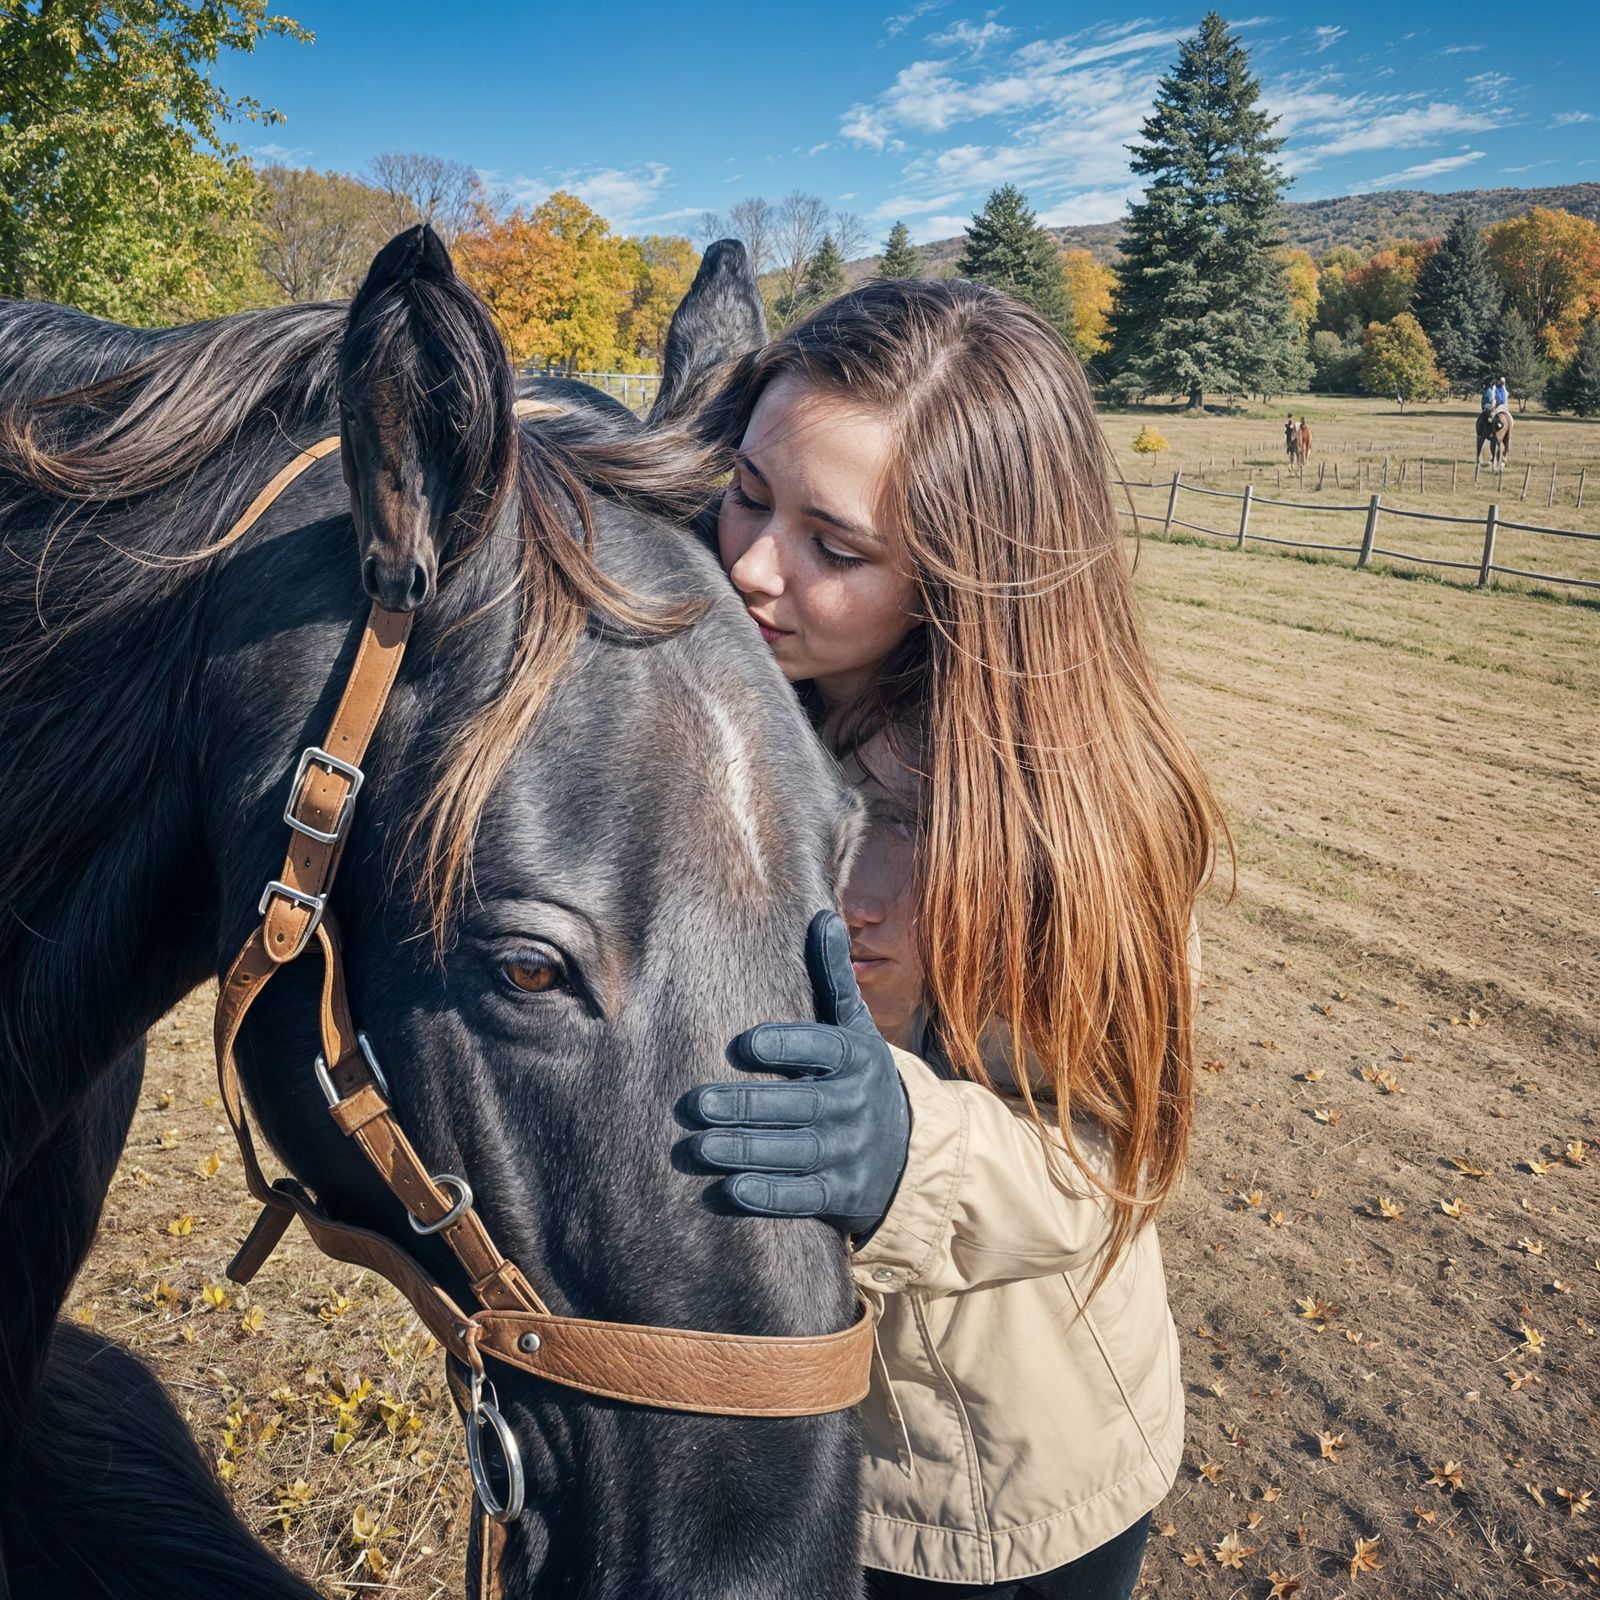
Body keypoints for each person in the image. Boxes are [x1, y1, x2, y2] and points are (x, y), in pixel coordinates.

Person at [679, 279, 1225, 1598]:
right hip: (757, 1437)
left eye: (835, 543)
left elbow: (1109, 1161)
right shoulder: (724, 690)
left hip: (992, 1497)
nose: (753, 565)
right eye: (749, 494)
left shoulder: (1073, 813)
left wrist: (908, 1152)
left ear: (966, 570)